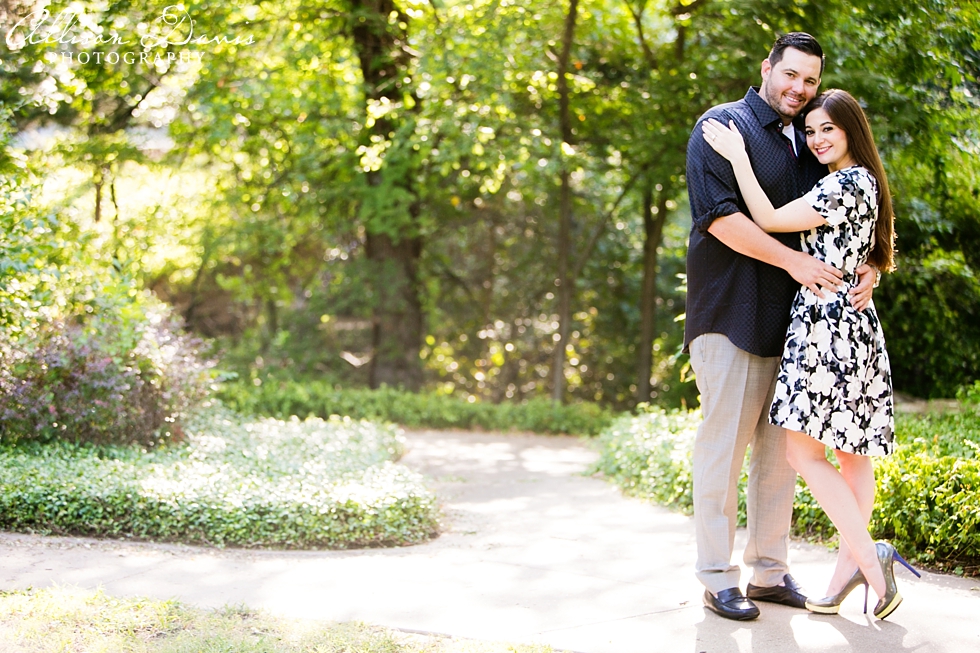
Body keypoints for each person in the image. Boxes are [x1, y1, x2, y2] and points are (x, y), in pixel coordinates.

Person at [702, 88, 919, 620]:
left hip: (827, 326)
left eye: (829, 129)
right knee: (852, 456)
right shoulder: (862, 182)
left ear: (852, 133)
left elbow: (769, 218)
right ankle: (850, 569)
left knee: (802, 454)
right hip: (854, 323)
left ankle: (870, 559)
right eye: (812, 130)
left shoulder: (845, 182)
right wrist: (868, 269)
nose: (818, 138)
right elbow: (870, 247)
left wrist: (736, 158)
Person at [683, 32, 879, 622]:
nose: (799, 88)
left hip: (798, 327)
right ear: (766, 68)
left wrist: (867, 267)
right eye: (790, 75)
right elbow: (720, 219)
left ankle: (769, 571)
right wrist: (794, 261)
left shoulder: (813, 138)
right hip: (731, 313)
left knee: (781, 458)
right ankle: (718, 577)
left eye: (810, 80)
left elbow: (838, 220)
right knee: (724, 448)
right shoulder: (722, 127)